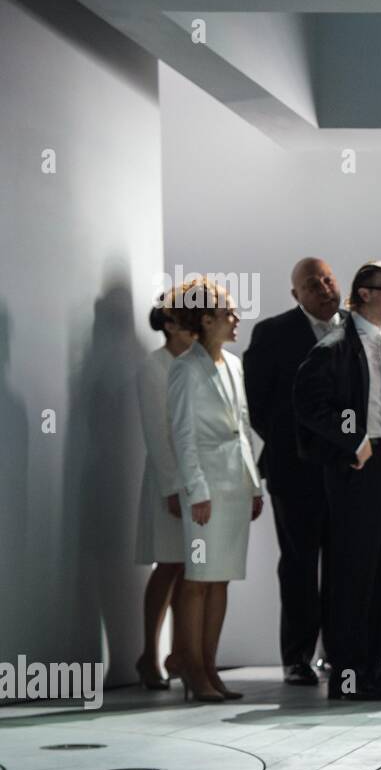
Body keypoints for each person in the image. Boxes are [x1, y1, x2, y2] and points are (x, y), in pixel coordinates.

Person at [294, 260, 381, 701]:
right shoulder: (335, 345)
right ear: (364, 293)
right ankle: (348, 675)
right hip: (357, 466)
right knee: (352, 571)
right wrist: (354, 441)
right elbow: (309, 405)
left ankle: (373, 666)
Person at [244, 257, 341, 686]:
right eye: (311, 284)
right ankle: (297, 657)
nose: (322, 288)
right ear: (295, 295)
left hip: (347, 471)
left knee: (344, 565)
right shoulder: (272, 334)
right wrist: (300, 443)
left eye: (327, 279)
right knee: (300, 565)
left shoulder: (357, 329)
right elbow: (258, 406)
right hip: (294, 470)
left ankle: (339, 652)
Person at [166, 278, 264, 701]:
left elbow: (242, 427)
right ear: (205, 320)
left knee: (220, 579)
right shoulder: (184, 368)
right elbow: (182, 435)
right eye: (226, 310)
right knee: (197, 579)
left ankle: (209, 665)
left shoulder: (235, 364)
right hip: (206, 488)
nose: (234, 316)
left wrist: (254, 484)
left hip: (235, 484)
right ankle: (192, 668)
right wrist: (197, 491)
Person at [133, 288, 194, 689]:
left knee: (192, 567)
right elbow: (157, 431)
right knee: (169, 563)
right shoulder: (154, 367)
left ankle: (182, 653)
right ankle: (150, 654)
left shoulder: (194, 363)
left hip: (197, 479)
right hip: (168, 478)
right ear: (169, 324)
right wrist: (172, 485)